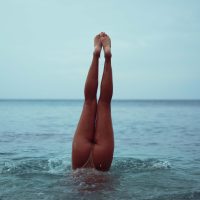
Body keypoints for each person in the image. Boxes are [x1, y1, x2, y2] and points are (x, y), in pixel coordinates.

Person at [72, 32, 114, 171]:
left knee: (102, 104)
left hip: (82, 165)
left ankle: (102, 57)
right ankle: (100, 56)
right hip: (94, 160)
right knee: (92, 102)